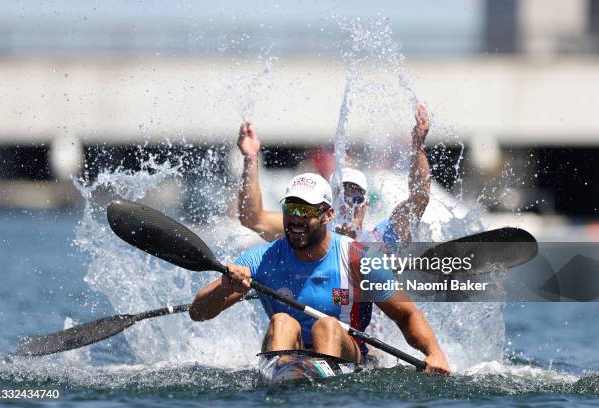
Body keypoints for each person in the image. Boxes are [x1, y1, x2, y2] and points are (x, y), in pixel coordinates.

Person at [190, 173, 450, 375]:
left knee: (327, 325)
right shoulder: (262, 259)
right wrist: (226, 285)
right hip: (288, 356)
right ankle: (284, 383)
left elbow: (407, 314)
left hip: (347, 352)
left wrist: (434, 353)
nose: (295, 219)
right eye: (290, 208)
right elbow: (198, 313)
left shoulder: (359, 258)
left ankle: (319, 392)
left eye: (306, 211)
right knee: (282, 321)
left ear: (328, 215)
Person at [236, 104, 431, 244]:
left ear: (366, 203)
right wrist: (251, 159)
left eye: (356, 197)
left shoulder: (382, 239)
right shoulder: (307, 233)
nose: (348, 204)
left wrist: (418, 147)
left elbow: (419, 198)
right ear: (328, 208)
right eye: (340, 196)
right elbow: (253, 218)